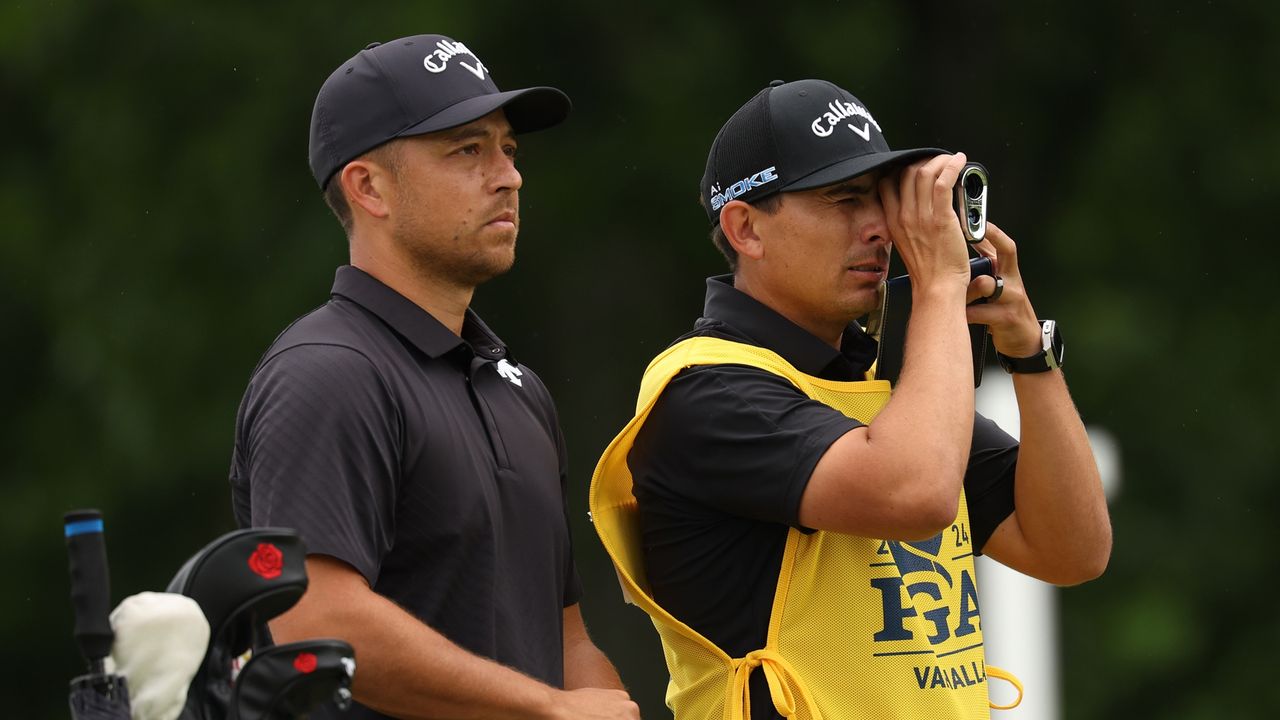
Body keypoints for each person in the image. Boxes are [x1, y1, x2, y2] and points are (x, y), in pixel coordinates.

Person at [590, 79, 1112, 719]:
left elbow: (1072, 549)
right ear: (745, 228)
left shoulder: (876, 388)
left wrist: (1028, 350)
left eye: (885, 201)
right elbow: (914, 495)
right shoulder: (707, 389)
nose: (880, 229)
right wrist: (943, 288)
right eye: (843, 200)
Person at [230, 35, 638, 720]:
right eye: (467, 150)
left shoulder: (519, 390)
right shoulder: (327, 374)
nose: (508, 176)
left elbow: (565, 640)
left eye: (509, 149)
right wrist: (545, 709)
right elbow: (319, 626)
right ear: (369, 187)